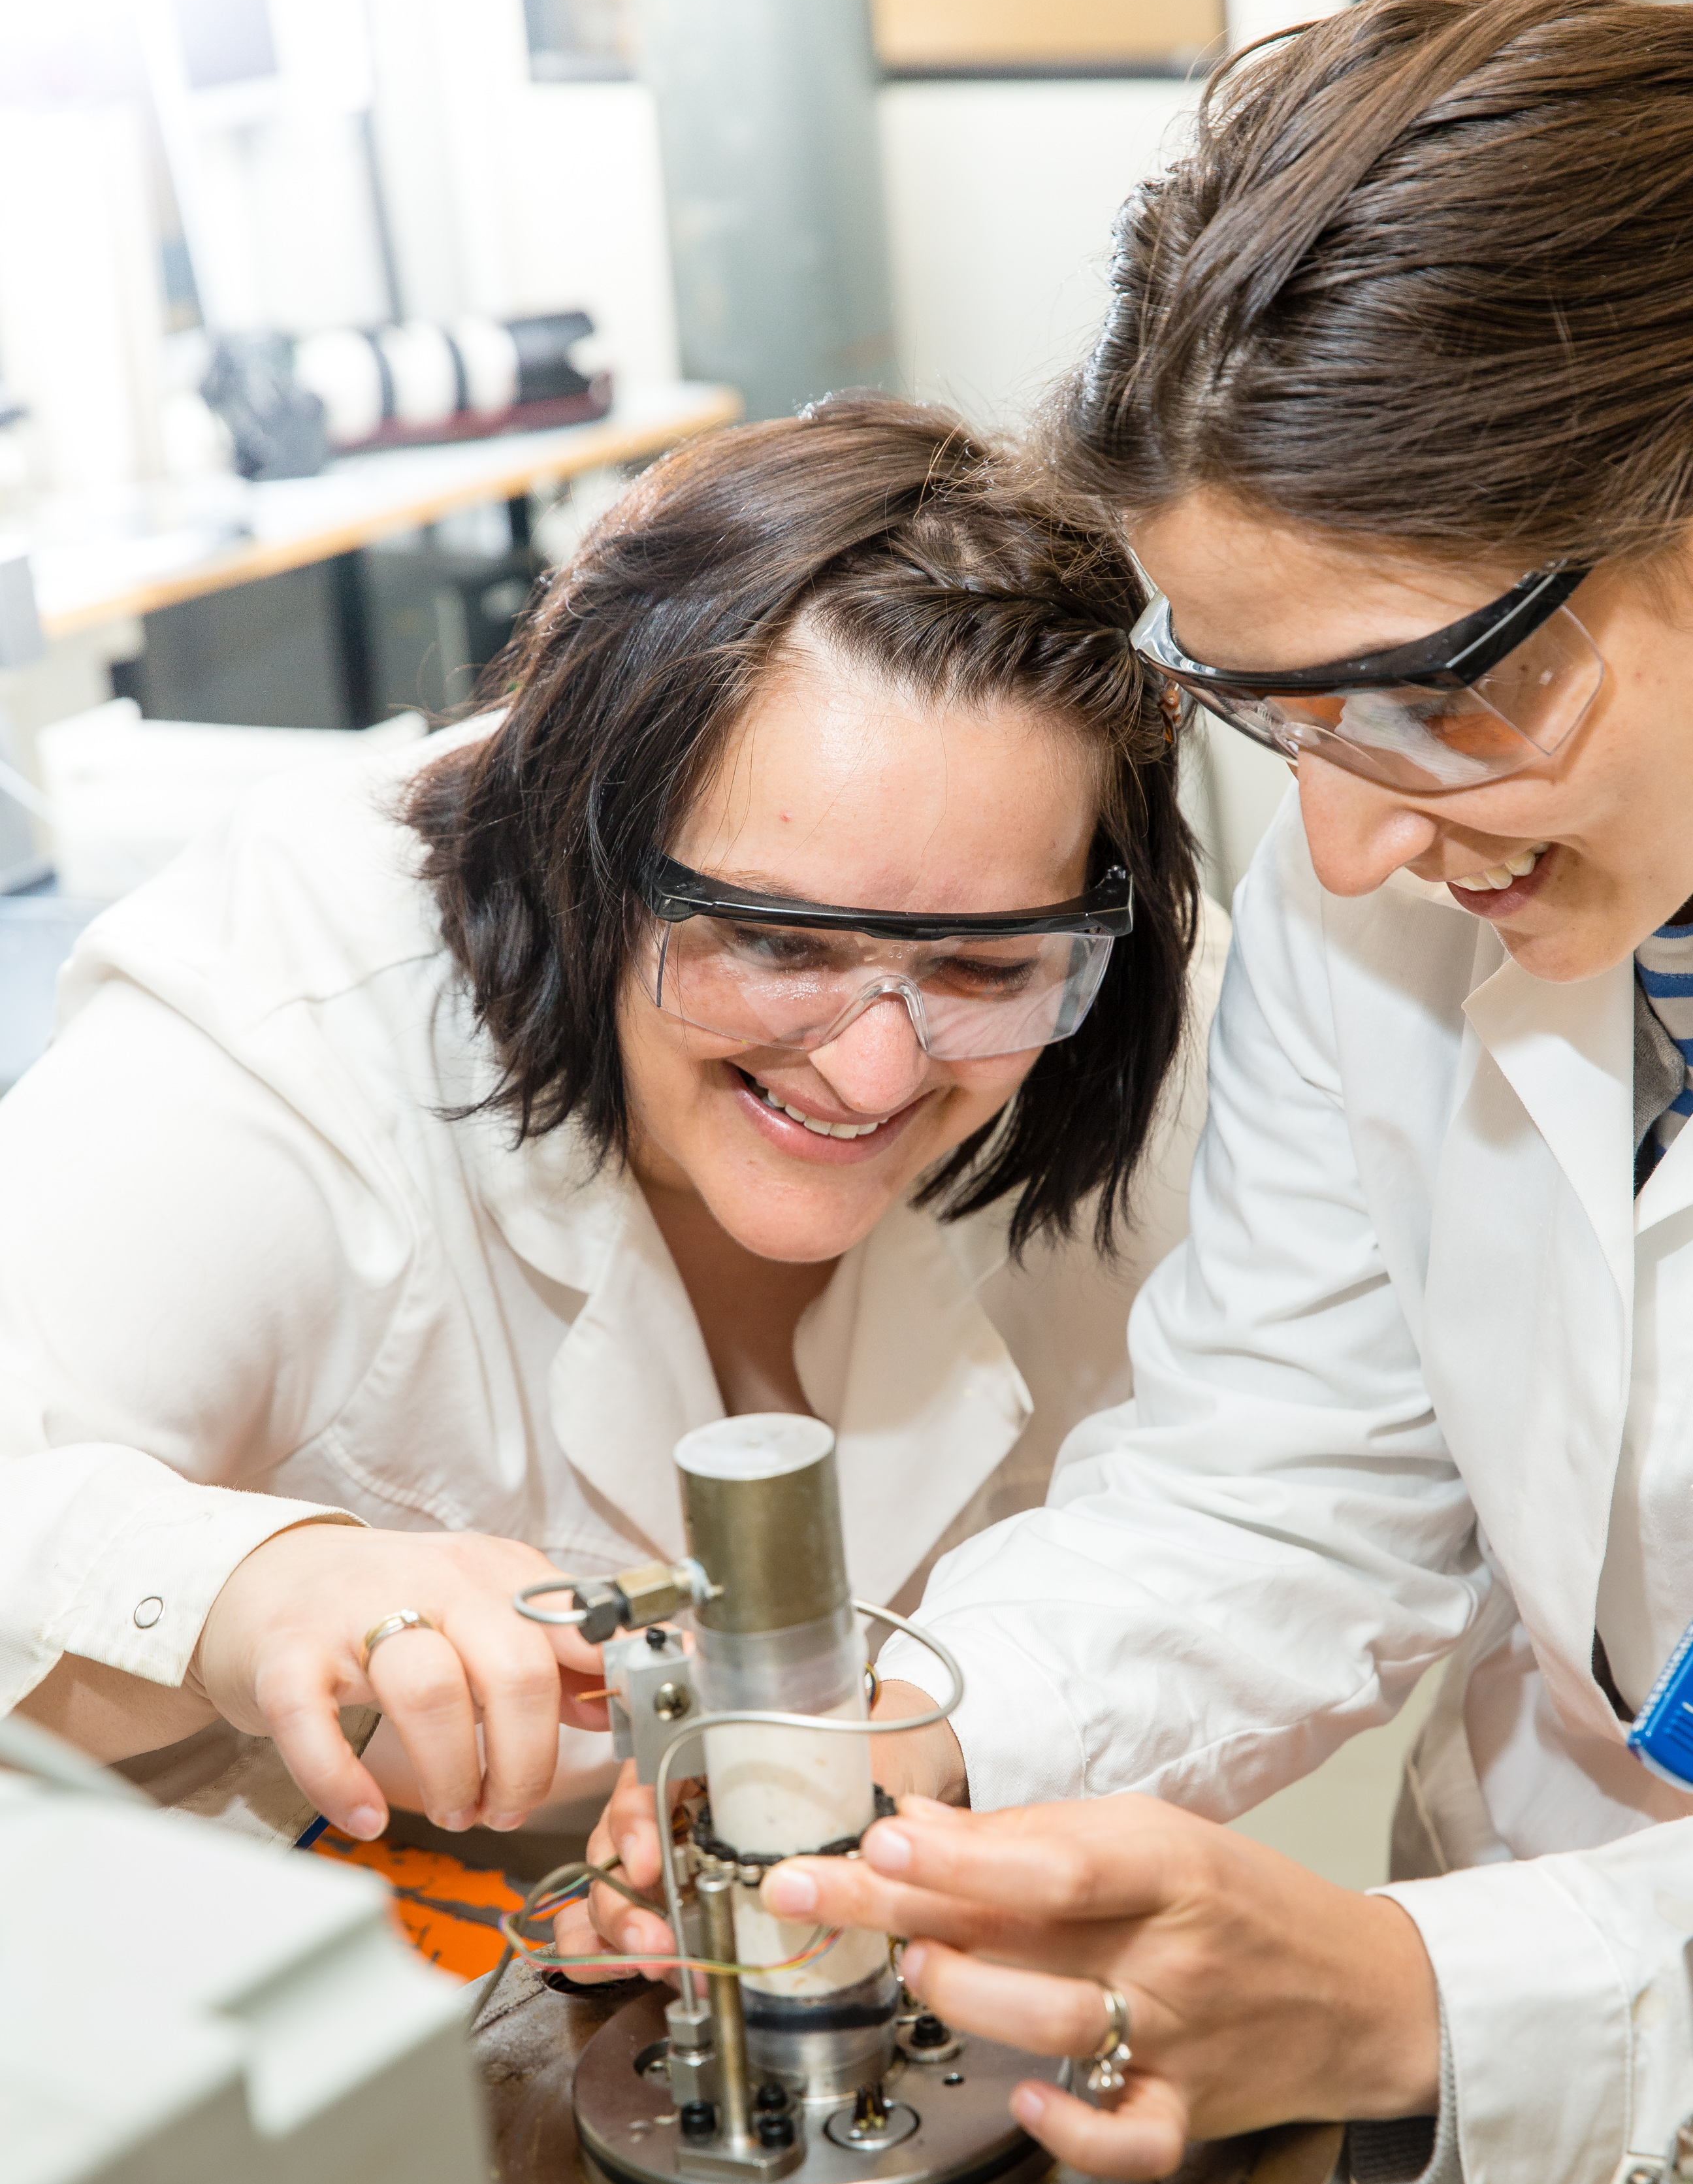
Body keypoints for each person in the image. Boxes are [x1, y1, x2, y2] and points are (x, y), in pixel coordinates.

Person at [590, 0, 1693, 2184]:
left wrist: (1408, 1987)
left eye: (1442, 694)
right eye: (1267, 713)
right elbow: (1286, 1461)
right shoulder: (1381, 853)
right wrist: (914, 1758)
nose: (1357, 846)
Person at [0, 397, 1221, 1844]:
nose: (879, 1073)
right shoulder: (287, 1027)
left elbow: (1249, 1523)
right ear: (577, 856)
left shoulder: (1133, 1012)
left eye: (978, 967)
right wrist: (250, 1589)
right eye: (777, 946)